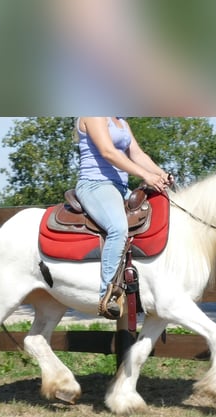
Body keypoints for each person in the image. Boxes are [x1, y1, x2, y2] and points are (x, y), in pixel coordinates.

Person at [74, 116, 173, 319]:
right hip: (95, 185)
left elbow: (137, 154)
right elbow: (107, 152)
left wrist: (161, 174)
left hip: (120, 188)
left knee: (159, 211)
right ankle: (108, 296)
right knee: (118, 229)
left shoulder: (122, 123)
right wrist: (146, 176)